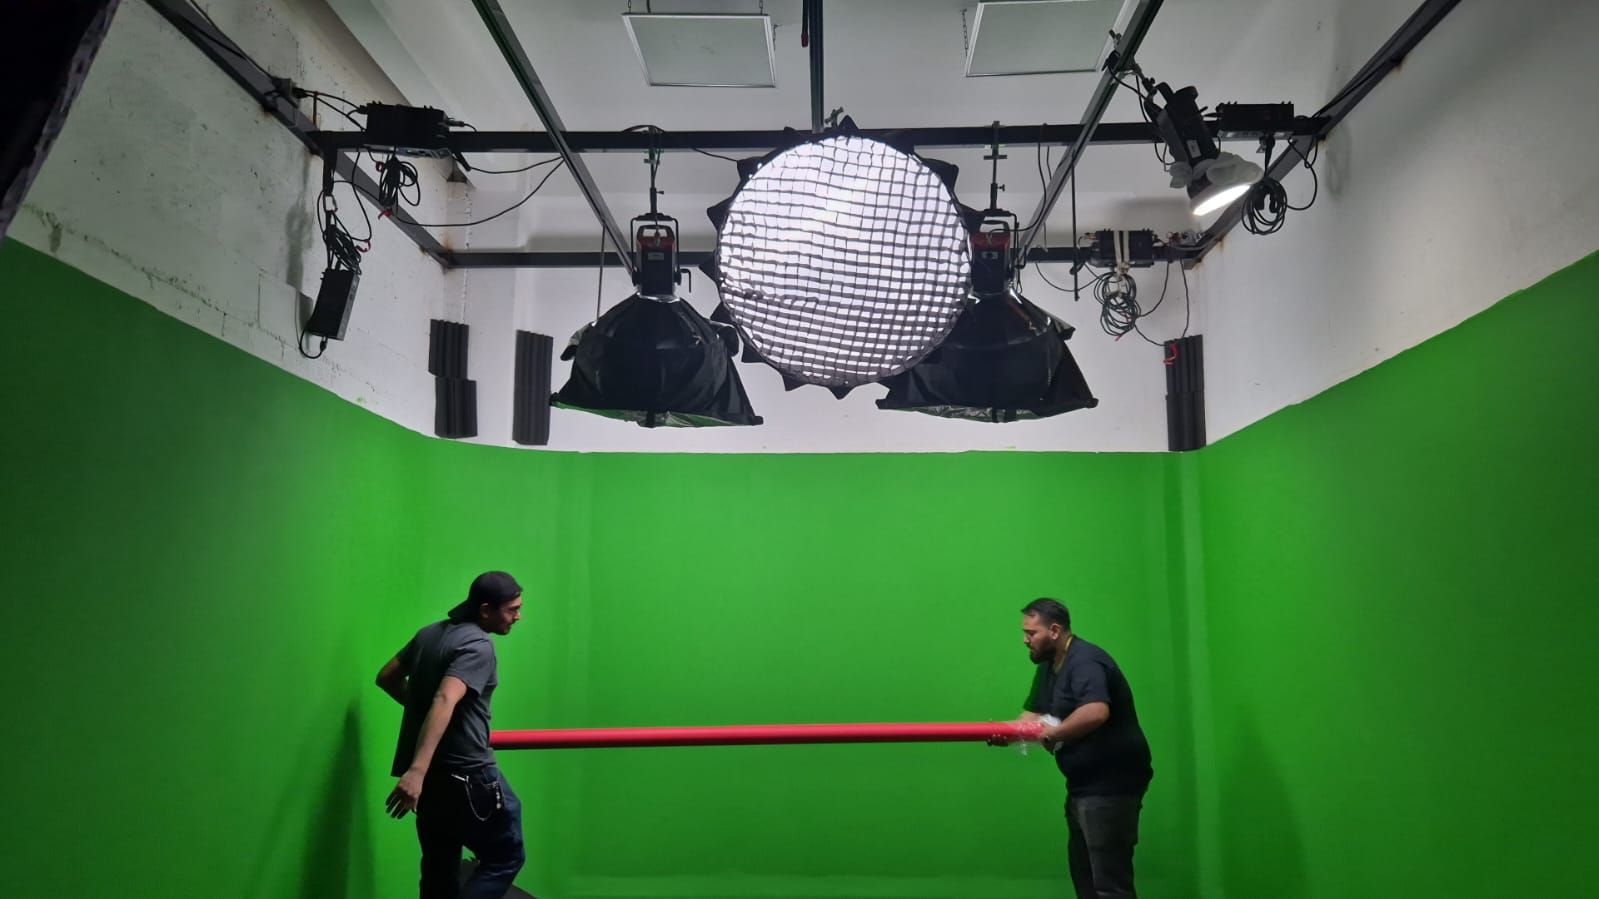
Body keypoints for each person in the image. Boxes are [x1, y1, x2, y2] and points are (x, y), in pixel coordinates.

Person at [375, 571, 528, 899]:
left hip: (434, 783)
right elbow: (445, 698)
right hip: (468, 773)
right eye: (511, 609)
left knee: (439, 867)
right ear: (486, 610)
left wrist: (421, 719)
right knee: (506, 856)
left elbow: (387, 677)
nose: (518, 616)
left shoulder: (429, 634)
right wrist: (415, 771)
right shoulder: (478, 645)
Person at [1013, 597, 1153, 899]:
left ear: (1054, 630)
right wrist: (1004, 733)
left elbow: (1095, 711)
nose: (1025, 640)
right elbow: (1032, 715)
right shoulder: (1050, 665)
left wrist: (1055, 733)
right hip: (1082, 785)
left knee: (1109, 886)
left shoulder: (1086, 661)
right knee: (1086, 881)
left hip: (1112, 785)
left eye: (1031, 633)